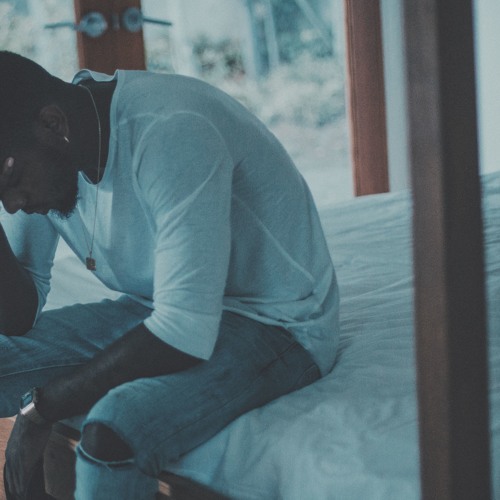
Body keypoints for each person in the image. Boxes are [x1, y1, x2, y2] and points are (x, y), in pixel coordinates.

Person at [0, 51, 339, 500]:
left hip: (275, 323)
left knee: (111, 433)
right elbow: (18, 315)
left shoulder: (171, 129)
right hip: (158, 306)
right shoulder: (42, 150)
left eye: (11, 184)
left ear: (52, 124)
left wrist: (40, 409)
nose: (12, 205)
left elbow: (183, 330)